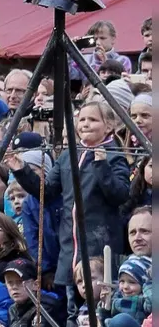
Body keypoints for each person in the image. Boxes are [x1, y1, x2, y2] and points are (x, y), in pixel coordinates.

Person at [13, 100, 131, 288]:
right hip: (69, 249)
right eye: (82, 119)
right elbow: (47, 191)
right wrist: (21, 169)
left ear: (109, 125)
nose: (85, 123)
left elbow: (120, 195)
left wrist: (101, 166)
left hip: (100, 246)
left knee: (98, 304)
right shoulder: (68, 156)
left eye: (92, 119)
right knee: (71, 309)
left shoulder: (114, 156)